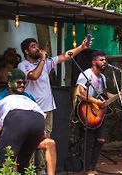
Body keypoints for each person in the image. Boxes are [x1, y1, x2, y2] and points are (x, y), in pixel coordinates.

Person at [18, 37, 90, 174]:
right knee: (32, 140)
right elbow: (34, 76)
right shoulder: (23, 65)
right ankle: (30, 170)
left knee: (45, 140)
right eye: (33, 46)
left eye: (37, 45)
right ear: (26, 51)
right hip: (32, 110)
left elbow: (64, 56)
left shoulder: (45, 63)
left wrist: (81, 47)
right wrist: (43, 60)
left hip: (47, 108)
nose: (37, 48)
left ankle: (41, 170)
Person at [0, 69, 57, 175]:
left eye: (24, 83)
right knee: (23, 165)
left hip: (19, 124)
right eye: (18, 82)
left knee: (4, 163)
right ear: (9, 84)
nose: (22, 85)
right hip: (31, 123)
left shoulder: (28, 97)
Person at [75, 50, 113, 175]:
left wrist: (119, 95)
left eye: (105, 60)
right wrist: (96, 101)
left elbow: (104, 95)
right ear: (93, 61)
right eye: (101, 60)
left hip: (99, 113)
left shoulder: (102, 77)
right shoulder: (86, 74)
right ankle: (87, 169)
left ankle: (93, 166)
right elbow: (80, 93)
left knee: (101, 140)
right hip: (87, 111)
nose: (104, 62)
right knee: (89, 141)